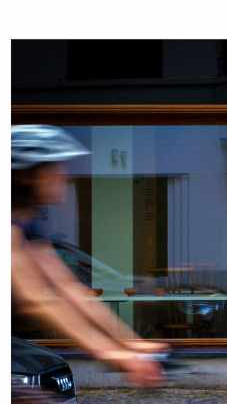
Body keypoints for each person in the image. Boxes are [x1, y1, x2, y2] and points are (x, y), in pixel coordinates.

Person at [11, 125, 166, 386]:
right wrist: (114, 354)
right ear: (28, 176)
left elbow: (68, 288)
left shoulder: (30, 225)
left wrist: (133, 343)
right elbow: (39, 299)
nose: (64, 175)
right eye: (54, 168)